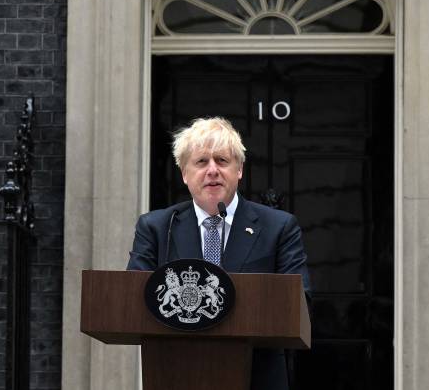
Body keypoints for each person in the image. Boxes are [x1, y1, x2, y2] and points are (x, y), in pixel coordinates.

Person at [127, 116, 310, 390]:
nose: (212, 170)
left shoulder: (279, 227)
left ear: (239, 170)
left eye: (222, 161)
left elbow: (300, 301)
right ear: (184, 173)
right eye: (201, 162)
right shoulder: (156, 228)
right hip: (176, 374)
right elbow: (132, 301)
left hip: (256, 377)